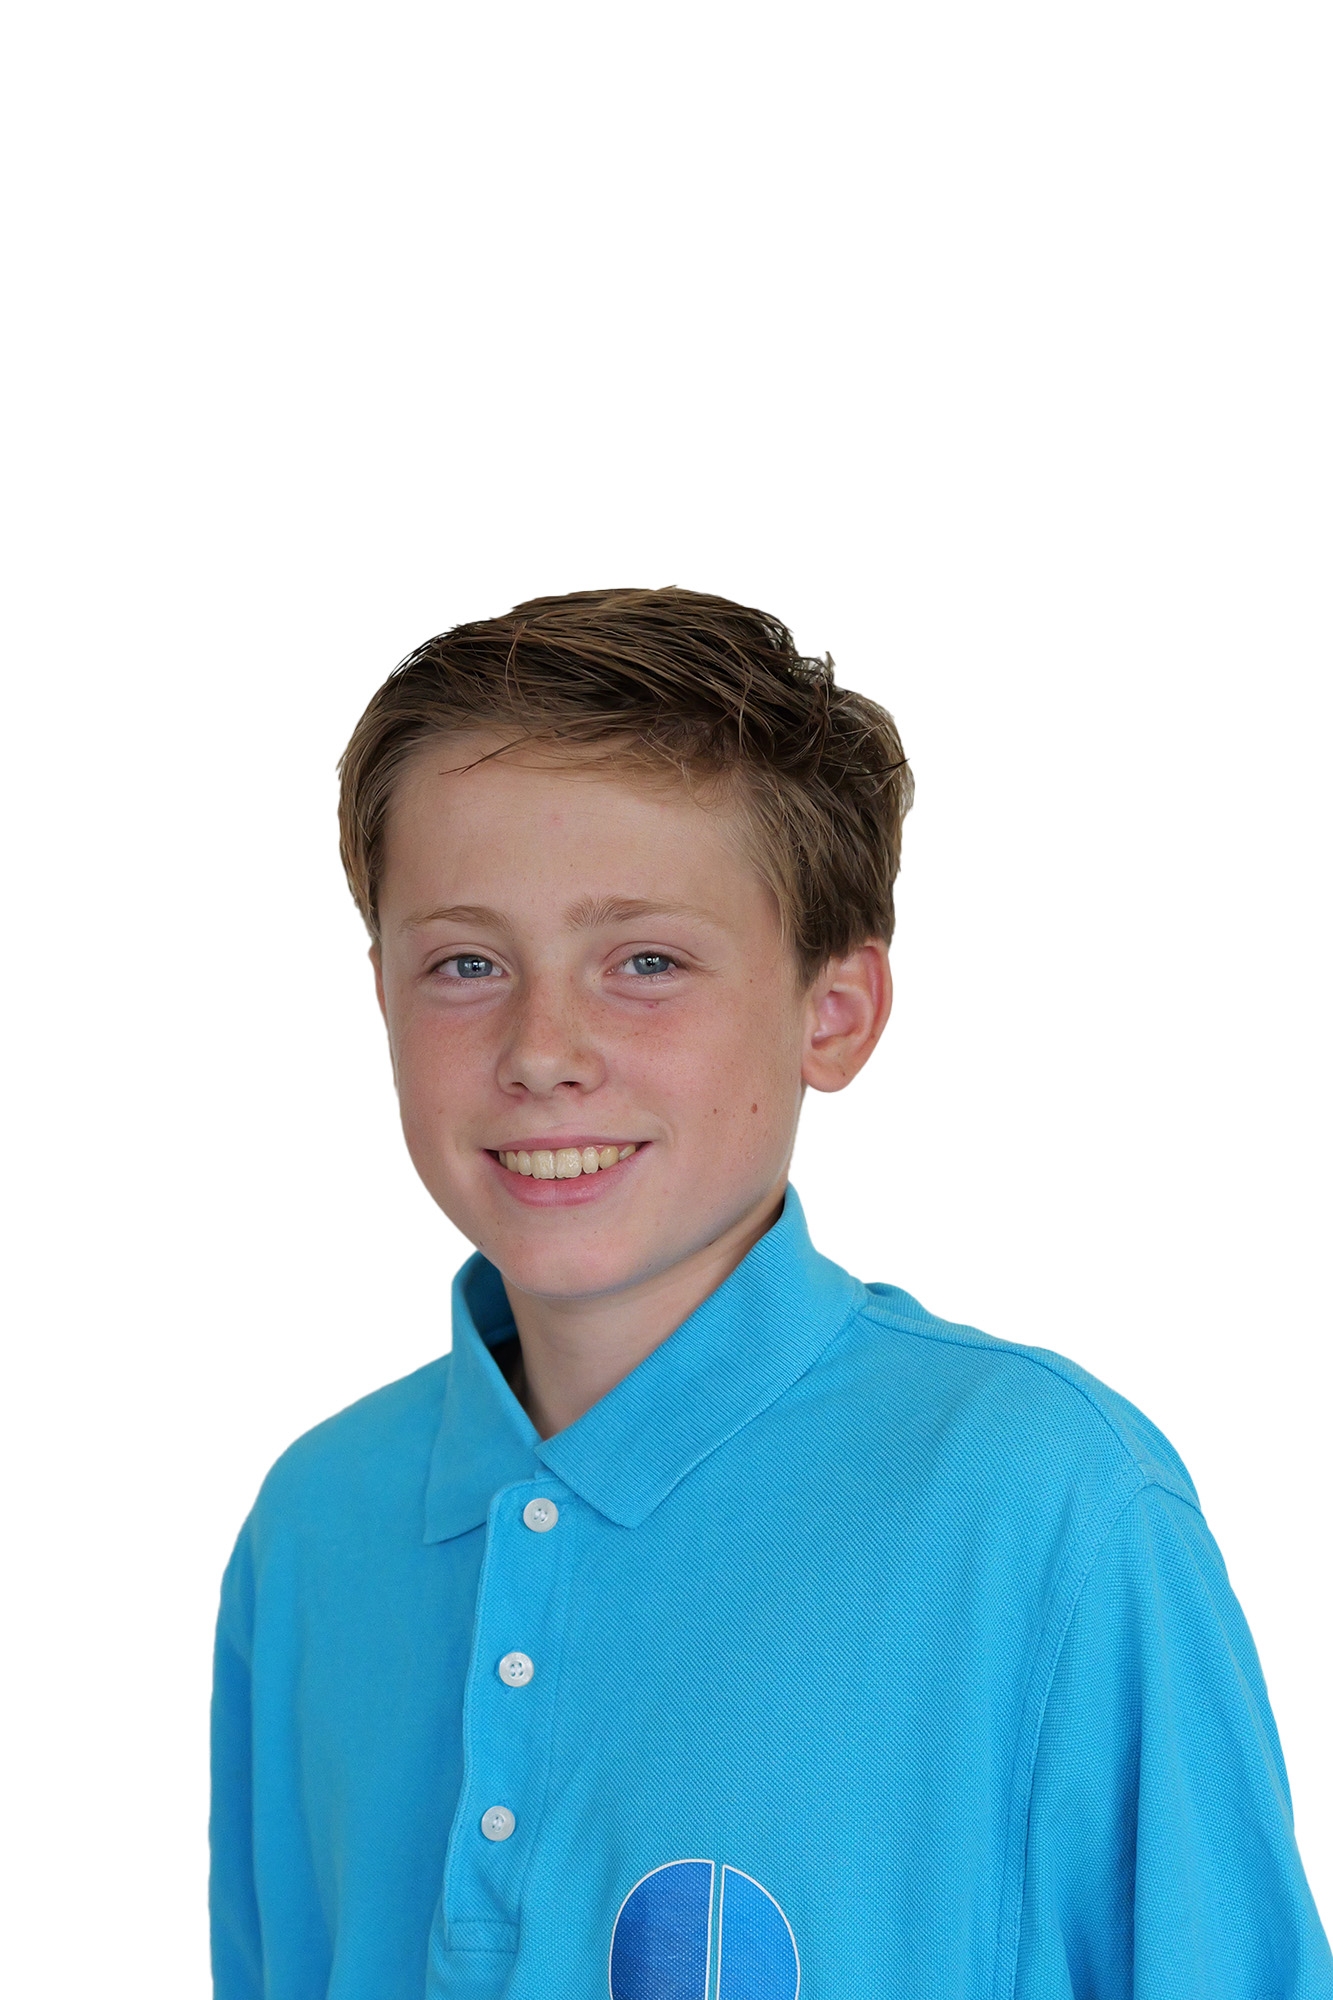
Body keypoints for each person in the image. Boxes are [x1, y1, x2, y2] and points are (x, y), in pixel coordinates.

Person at [210, 587, 1333, 2000]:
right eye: (466, 962)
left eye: (646, 963)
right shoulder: (315, 1526)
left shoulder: (1045, 1503)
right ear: (381, 989)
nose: (542, 1049)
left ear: (833, 1014)